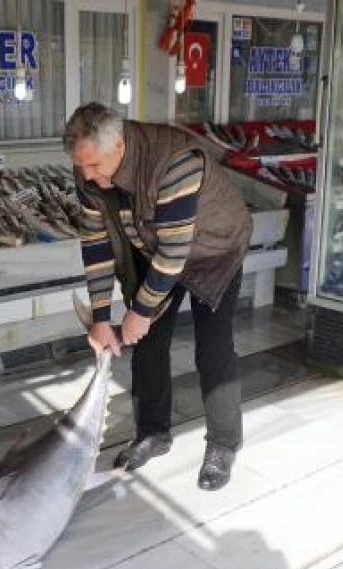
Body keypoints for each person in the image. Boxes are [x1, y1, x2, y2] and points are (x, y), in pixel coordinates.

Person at [63, 102, 253, 491]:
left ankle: (223, 443)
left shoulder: (175, 161)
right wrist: (102, 316)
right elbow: (96, 244)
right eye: (81, 166)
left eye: (94, 166)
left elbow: (175, 252)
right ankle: (153, 433)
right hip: (152, 246)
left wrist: (140, 311)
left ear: (118, 146)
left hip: (213, 249)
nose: (87, 176)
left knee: (213, 348)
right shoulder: (91, 166)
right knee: (147, 343)